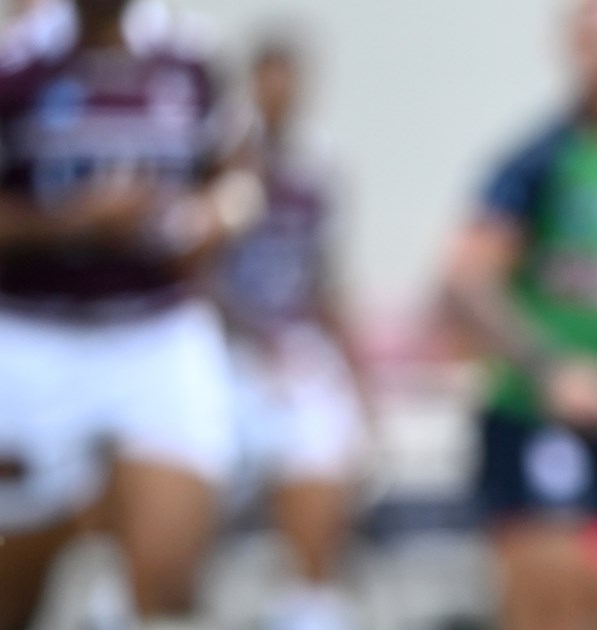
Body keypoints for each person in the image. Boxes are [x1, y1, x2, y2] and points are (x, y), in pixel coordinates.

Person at [0, 0, 259, 627]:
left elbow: (239, 176)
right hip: (34, 335)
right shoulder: (18, 61)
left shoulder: (190, 55)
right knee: (14, 594)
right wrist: (74, 222)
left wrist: (215, 218)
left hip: (157, 329)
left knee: (169, 583)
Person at [440, 0, 597, 627]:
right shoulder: (539, 160)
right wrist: (552, 371)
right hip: (532, 424)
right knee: (550, 610)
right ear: (575, 48)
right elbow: (465, 282)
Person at [215, 29, 369, 630]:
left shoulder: (318, 171)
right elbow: (194, 271)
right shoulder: (221, 164)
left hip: (295, 346)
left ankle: (309, 597)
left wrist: (358, 373)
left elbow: (326, 277)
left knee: (324, 439)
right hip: (227, 347)